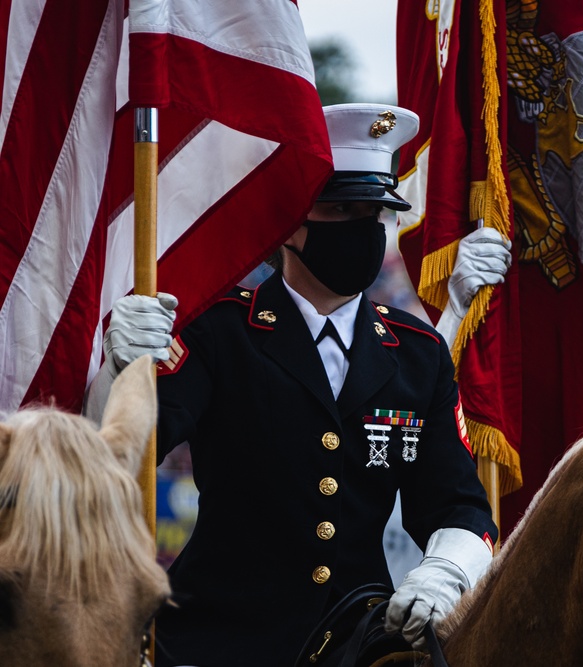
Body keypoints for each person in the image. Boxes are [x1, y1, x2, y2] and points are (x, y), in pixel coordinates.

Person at [85, 103, 510, 667]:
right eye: (340, 209)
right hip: (218, 640)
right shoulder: (219, 332)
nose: (363, 228)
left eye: (374, 212)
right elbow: (118, 454)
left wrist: (445, 571)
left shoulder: (417, 353)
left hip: (360, 640)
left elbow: (459, 507)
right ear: (288, 223)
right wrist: (118, 373)